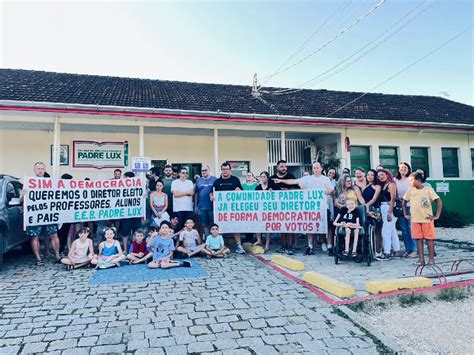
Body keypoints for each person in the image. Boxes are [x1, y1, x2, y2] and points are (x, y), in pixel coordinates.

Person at [274, 162, 334, 256]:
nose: (316, 169)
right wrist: (281, 181)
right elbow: (294, 181)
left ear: (321, 168)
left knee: (328, 227)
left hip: (323, 207)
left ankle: (329, 245)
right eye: (314, 168)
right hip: (311, 208)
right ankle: (310, 246)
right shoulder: (308, 178)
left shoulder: (325, 179)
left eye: (317, 168)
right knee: (310, 227)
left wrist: (324, 191)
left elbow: (331, 190)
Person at [22, 162, 61, 265]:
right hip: (35, 214)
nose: (40, 170)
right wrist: (23, 194)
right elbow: (21, 201)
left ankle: (57, 255)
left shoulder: (51, 182)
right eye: (38, 168)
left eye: (42, 168)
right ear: (34, 170)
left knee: (54, 234)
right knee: (35, 236)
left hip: (48, 214)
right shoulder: (28, 183)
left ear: (45, 170)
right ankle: (38, 258)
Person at [403, 172, 442, 265]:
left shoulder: (428, 190)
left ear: (418, 180)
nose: (410, 182)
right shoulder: (410, 190)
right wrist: (405, 214)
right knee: (418, 240)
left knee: (429, 240)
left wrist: (437, 215)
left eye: (411, 180)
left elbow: (439, 202)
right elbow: (404, 201)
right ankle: (421, 260)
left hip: (427, 219)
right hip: (415, 220)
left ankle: (431, 259)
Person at [212, 162, 245, 254]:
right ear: (221, 170)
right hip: (221, 209)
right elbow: (212, 192)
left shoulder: (235, 180)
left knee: (235, 227)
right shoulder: (217, 182)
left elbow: (241, 192)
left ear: (230, 170)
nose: (225, 171)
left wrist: (239, 190)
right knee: (220, 227)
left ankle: (239, 245)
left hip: (233, 209)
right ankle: (219, 245)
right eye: (223, 169)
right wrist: (212, 196)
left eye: (227, 169)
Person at [269, 160, 299, 255]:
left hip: (289, 206)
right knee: (282, 227)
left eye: (285, 166)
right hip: (277, 207)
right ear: (277, 167)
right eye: (281, 166)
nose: (284, 168)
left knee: (289, 227)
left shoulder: (291, 177)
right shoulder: (272, 178)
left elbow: (298, 189)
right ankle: (283, 246)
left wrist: (289, 190)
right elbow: (269, 189)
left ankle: (290, 246)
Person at [377, 169, 401, 260]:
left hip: (389, 207)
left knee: (385, 231)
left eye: (382, 175)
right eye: (379, 176)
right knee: (392, 230)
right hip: (384, 207)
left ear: (387, 174)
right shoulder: (384, 185)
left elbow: (393, 198)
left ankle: (387, 252)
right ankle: (396, 250)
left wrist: (389, 212)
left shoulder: (391, 184)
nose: (380, 177)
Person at [395, 162, 417, 258]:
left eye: (405, 167)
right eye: (401, 168)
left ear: (408, 169)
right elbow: (393, 192)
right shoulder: (395, 180)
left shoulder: (410, 179)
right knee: (404, 229)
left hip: (411, 205)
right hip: (401, 206)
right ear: (398, 169)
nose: (403, 169)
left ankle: (414, 250)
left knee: (411, 228)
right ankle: (408, 249)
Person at [118, 172, 142, 252]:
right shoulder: (121, 187)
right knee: (125, 232)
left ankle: (134, 249)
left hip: (136, 213)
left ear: (128, 178)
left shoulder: (138, 187)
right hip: (125, 213)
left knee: (136, 232)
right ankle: (125, 249)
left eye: (124, 178)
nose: (123, 179)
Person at [362, 169, 382, 258]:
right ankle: (368, 250)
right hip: (365, 209)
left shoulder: (377, 186)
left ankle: (378, 250)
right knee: (367, 229)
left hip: (374, 209)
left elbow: (374, 198)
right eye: (368, 174)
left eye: (372, 175)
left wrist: (367, 205)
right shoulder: (364, 186)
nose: (369, 176)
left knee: (377, 230)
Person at [195, 165, 217, 237]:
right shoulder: (199, 180)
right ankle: (208, 239)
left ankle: (214, 240)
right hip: (202, 207)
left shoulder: (215, 179)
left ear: (209, 170)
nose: (204, 172)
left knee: (213, 224)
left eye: (205, 170)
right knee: (205, 225)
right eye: (202, 170)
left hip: (212, 207)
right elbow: (196, 194)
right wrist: (196, 205)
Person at [254, 171, 272, 251]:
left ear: (267, 178)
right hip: (259, 209)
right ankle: (259, 240)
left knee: (267, 227)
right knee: (258, 225)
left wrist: (272, 192)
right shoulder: (258, 188)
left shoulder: (271, 187)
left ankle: (267, 243)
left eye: (264, 177)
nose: (262, 178)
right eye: (261, 177)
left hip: (268, 210)